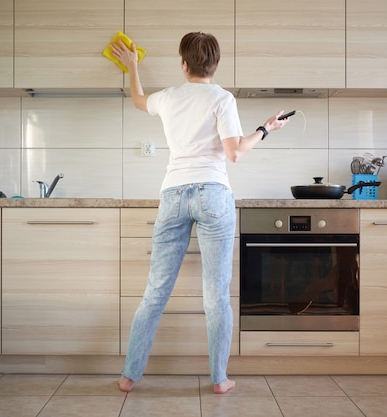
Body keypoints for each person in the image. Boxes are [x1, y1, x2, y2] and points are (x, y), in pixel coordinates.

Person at [110, 32, 290, 395]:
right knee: (216, 295)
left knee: (155, 291)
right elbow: (235, 152)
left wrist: (132, 66)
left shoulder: (168, 98)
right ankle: (219, 379)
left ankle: (130, 376)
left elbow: (137, 100)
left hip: (173, 193)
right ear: (215, 65)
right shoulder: (222, 98)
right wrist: (265, 129)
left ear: (183, 64)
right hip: (213, 194)